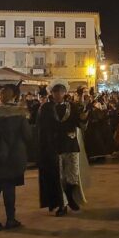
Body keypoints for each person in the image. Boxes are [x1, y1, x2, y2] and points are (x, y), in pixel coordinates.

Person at [0, 85, 31, 231]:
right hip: (12, 157)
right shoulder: (19, 115)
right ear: (13, 97)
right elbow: (28, 136)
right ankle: (10, 219)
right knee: (9, 188)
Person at [37, 82, 88, 216]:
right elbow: (41, 128)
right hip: (55, 146)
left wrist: (84, 118)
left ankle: (71, 198)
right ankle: (62, 204)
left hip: (70, 144)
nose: (58, 94)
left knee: (72, 176)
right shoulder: (46, 108)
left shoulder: (71, 106)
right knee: (58, 177)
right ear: (51, 93)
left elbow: (80, 123)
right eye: (55, 91)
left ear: (65, 92)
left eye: (61, 91)